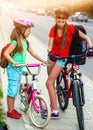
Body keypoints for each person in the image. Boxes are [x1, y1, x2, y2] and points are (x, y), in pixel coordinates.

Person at [43, 7, 92, 119]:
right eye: (59, 21)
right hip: (52, 58)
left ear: (66, 20)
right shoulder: (53, 29)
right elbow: (49, 46)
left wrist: (91, 48)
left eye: (63, 21)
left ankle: (54, 111)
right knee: (52, 83)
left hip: (62, 59)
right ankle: (53, 104)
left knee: (48, 83)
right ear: (56, 19)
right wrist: (50, 53)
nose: (61, 23)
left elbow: (86, 38)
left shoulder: (70, 28)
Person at [4, 18, 48, 119]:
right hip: (13, 69)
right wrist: (13, 62)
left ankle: (12, 109)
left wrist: (43, 60)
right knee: (12, 90)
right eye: (28, 31)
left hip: (19, 69)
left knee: (14, 90)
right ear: (21, 31)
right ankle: (10, 111)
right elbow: (6, 53)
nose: (29, 33)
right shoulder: (15, 42)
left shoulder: (26, 42)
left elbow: (33, 53)